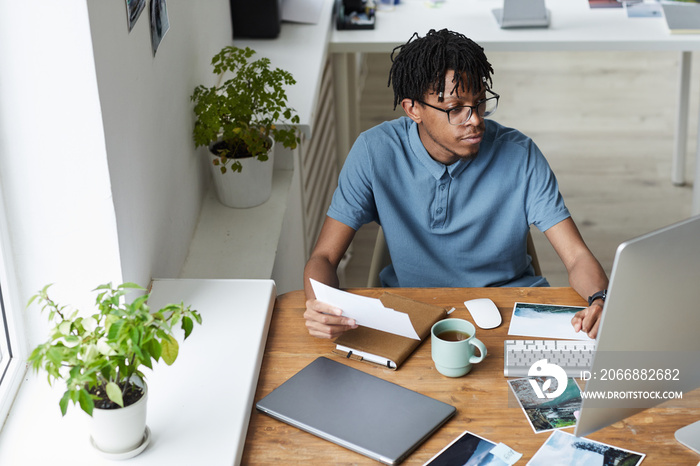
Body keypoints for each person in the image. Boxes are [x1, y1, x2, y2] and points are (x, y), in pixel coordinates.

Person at [303, 29, 608, 340]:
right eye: (455, 108)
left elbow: (577, 256)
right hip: (412, 314)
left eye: (479, 102)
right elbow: (324, 258)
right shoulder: (374, 152)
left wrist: (600, 300)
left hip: (513, 313)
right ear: (413, 109)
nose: (475, 119)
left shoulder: (520, 155)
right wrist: (320, 304)